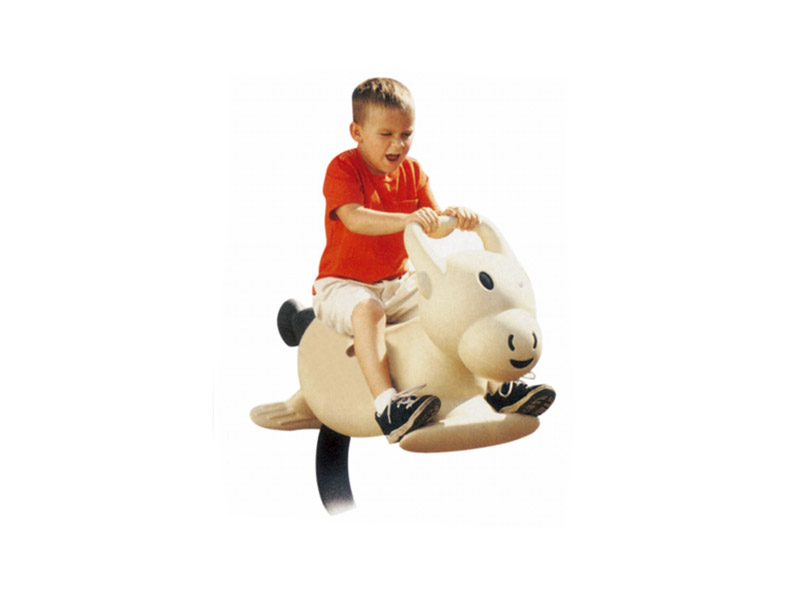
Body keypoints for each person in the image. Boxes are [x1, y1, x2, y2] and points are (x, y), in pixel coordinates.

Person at [312, 77, 553, 444]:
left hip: (397, 283)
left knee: (450, 306)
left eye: (406, 134)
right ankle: (387, 406)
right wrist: (408, 219)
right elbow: (354, 218)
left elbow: (432, 227)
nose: (398, 144)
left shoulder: (413, 172)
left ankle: (498, 386)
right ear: (357, 132)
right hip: (344, 284)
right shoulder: (343, 168)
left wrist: (455, 218)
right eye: (386, 134)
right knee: (369, 311)